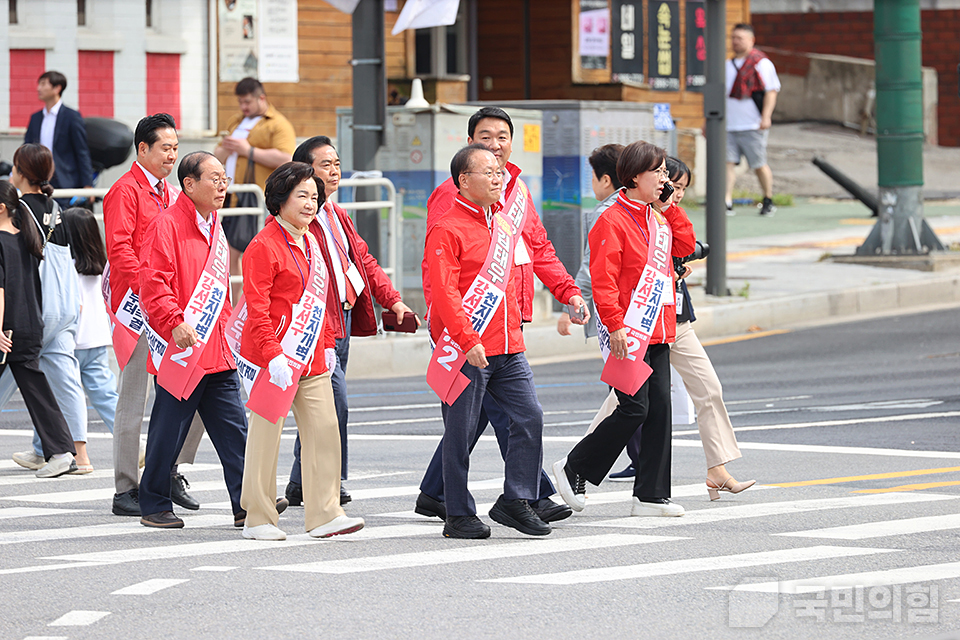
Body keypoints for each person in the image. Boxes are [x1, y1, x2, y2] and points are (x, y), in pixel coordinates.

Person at [415, 107, 587, 524]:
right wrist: (451, 328)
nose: (495, 145)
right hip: (468, 328)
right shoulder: (449, 197)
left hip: (508, 322)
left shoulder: (517, 193)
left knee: (506, 416)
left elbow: (540, 248)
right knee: (474, 422)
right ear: (469, 142)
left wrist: (567, 291)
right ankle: (517, 497)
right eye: (485, 137)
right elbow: (440, 270)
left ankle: (471, 494)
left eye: (502, 137)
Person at [587, 158, 757, 499]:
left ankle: (717, 468)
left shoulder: (665, 216)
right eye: (669, 183)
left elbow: (686, 246)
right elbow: (598, 270)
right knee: (624, 405)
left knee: (709, 389)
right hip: (639, 324)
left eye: (679, 188)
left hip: (675, 321)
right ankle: (578, 466)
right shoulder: (622, 215)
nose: (674, 192)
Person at [552, 141, 696, 518]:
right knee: (634, 408)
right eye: (659, 173)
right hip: (628, 326)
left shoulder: (658, 216)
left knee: (659, 410)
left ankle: (650, 495)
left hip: (659, 324)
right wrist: (614, 325)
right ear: (634, 176)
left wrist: (670, 209)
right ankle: (575, 467)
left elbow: (686, 245)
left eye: (666, 173)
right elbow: (604, 278)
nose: (665, 180)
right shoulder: (611, 218)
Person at [425, 143, 553, 539]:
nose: (499, 178)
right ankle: (458, 514)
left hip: (509, 346)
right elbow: (444, 293)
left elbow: (515, 278)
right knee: (460, 434)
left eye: (501, 172)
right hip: (468, 349)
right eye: (489, 172)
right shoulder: (447, 228)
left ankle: (516, 500)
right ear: (464, 180)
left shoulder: (502, 223)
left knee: (530, 417)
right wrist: (467, 338)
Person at [285, 136, 417, 507]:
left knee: (321, 403)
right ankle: (326, 481)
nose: (334, 172)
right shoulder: (295, 218)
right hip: (315, 325)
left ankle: (299, 481)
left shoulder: (335, 214)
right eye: (325, 165)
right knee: (333, 402)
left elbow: (364, 260)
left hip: (342, 319)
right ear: (305, 171)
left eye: (337, 164)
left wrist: (392, 300)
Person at [239, 161, 365, 540]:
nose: (311, 204)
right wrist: (273, 354)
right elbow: (257, 308)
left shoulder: (312, 240)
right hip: (271, 356)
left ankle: (325, 512)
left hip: (310, 355)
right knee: (266, 438)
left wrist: (327, 345)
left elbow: (321, 301)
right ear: (280, 199)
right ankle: (258, 518)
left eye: (315, 196)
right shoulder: (263, 246)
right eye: (302, 196)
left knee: (325, 429)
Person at [136, 151, 247, 529]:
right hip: (183, 350)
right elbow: (152, 283)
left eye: (224, 179)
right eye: (214, 179)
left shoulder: (214, 222)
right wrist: (173, 322)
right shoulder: (165, 225)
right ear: (189, 183)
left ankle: (247, 503)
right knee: (168, 432)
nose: (222, 186)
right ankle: (153, 504)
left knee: (235, 432)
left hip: (217, 348)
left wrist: (232, 332)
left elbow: (222, 289)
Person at [103, 114, 202, 517]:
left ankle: (168, 470)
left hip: (172, 308)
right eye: (166, 148)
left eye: (176, 148)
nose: (172, 155)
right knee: (133, 398)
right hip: (142, 310)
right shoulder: (124, 192)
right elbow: (120, 252)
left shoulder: (173, 191)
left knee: (195, 387)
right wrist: (151, 293)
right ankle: (126, 487)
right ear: (142, 149)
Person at [1, 144, 90, 472]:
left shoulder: (17, 209)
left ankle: (53, 449)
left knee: (15, 370)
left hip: (33, 307)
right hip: (65, 305)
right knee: (63, 378)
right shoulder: (56, 208)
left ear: (21, 172)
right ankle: (77, 454)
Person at [214, 77, 296, 295]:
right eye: (240, 102)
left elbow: (286, 157)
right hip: (230, 196)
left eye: (247, 102)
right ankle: (232, 303)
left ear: (262, 98)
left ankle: (236, 304)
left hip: (254, 198)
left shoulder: (277, 124)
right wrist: (228, 147)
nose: (244, 107)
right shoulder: (236, 121)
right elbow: (216, 155)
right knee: (226, 251)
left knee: (238, 251)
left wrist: (248, 151)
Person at [62, 207, 120, 446]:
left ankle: (41, 447)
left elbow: (75, 307)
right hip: (98, 340)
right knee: (106, 396)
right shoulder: (103, 267)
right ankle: (131, 443)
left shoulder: (66, 266)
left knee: (60, 396)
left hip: (71, 342)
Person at [557, 143, 624, 338]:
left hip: (616, 311)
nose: (591, 183)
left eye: (592, 177)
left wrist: (570, 309)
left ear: (605, 180)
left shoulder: (606, 213)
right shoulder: (638, 207)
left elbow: (592, 266)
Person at [725, 23, 780, 217]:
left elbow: (771, 92)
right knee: (728, 164)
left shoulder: (761, 63)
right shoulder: (727, 65)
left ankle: (768, 198)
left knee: (758, 164)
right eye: (733, 37)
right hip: (730, 125)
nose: (735, 41)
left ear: (751, 40)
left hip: (752, 124)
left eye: (740, 38)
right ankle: (726, 200)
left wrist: (766, 116)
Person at [24, 71, 93, 197]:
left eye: (43, 84)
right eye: (39, 84)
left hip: (64, 181)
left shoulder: (72, 117)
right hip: (37, 181)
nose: (38, 88)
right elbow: (26, 150)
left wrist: (88, 184)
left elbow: (81, 151)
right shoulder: (36, 118)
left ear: (57, 88)